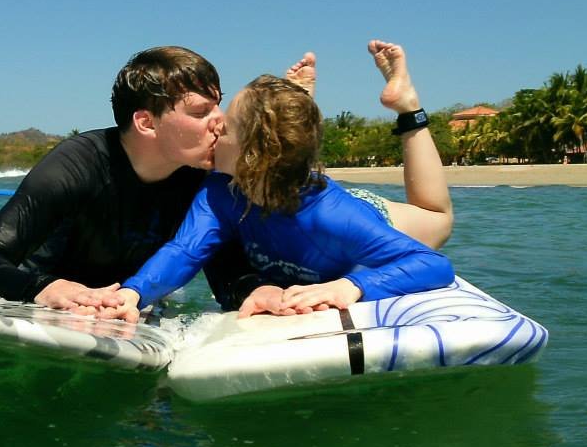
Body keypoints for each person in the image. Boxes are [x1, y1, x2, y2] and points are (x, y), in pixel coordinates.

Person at [112, 41, 455, 323]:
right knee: (282, 168)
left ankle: (408, 106)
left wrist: (353, 286)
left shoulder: (336, 218)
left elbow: (432, 264)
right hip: (280, 183)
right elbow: (185, 250)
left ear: (250, 154)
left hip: (358, 209)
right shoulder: (220, 189)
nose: (215, 127)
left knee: (438, 219)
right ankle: (293, 107)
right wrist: (134, 292)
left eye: (227, 126)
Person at [0, 46, 256, 314]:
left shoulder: (200, 176)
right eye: (201, 111)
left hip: (126, 302)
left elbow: (226, 272)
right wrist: (42, 288)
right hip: (46, 298)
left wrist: (256, 293)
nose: (221, 121)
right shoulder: (77, 165)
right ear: (147, 123)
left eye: (218, 105)